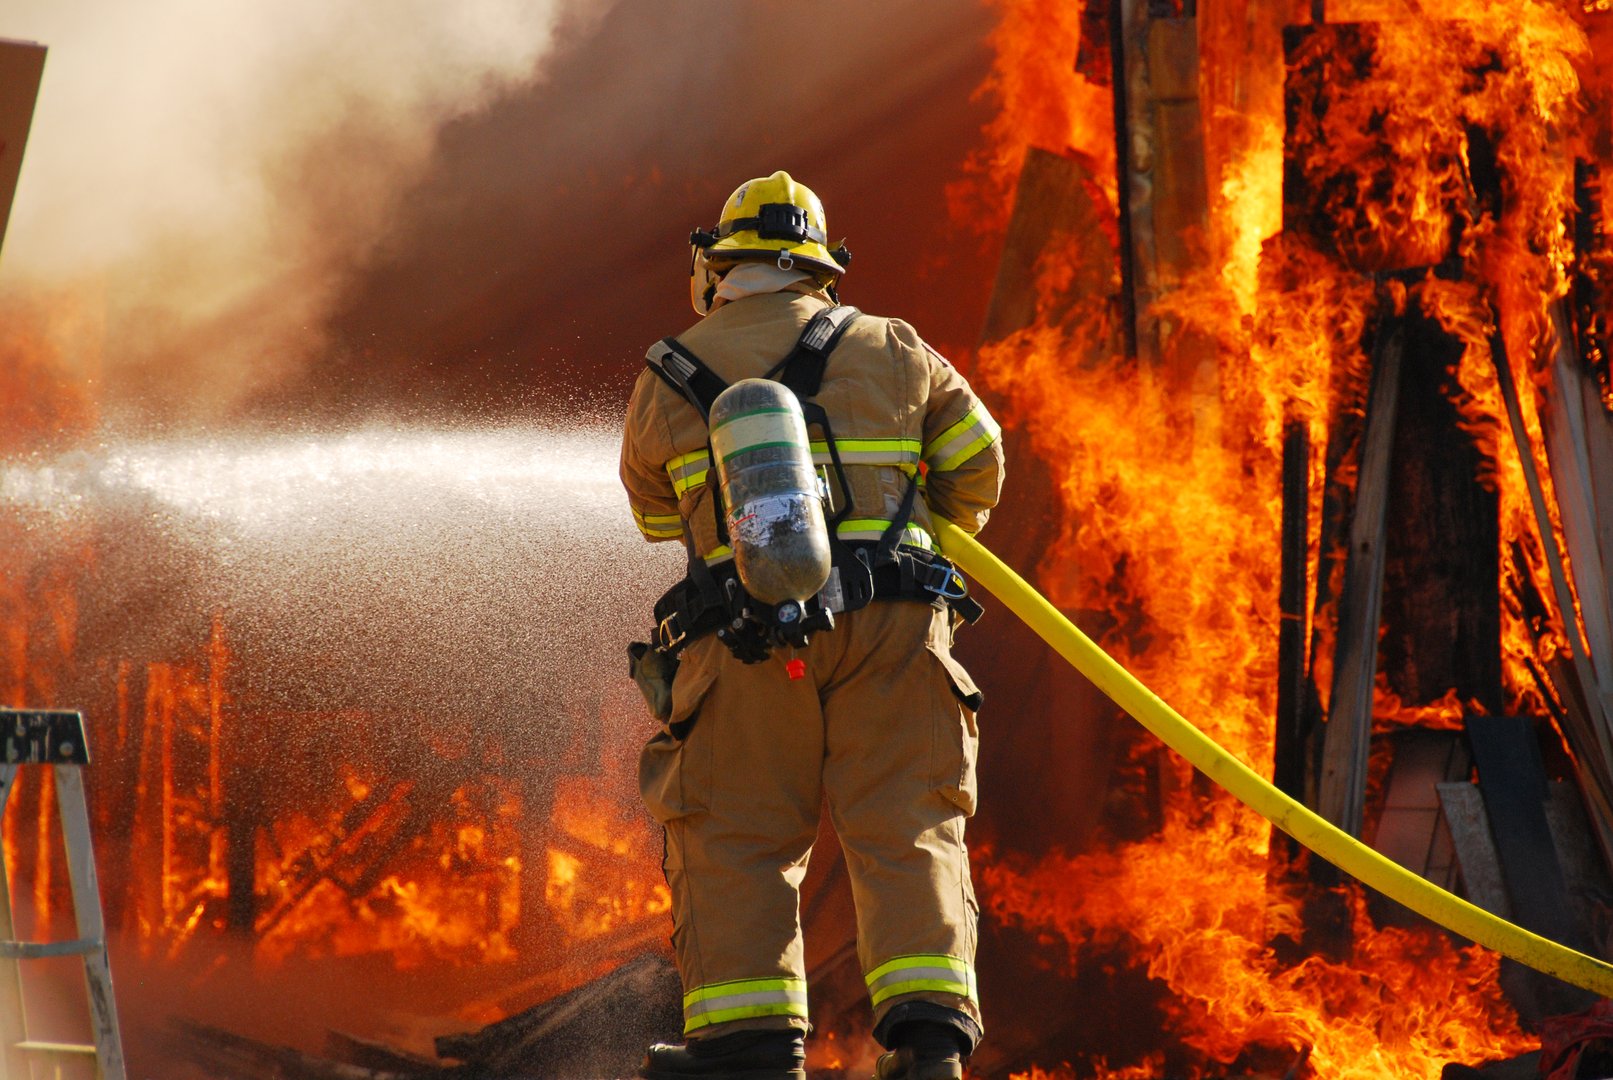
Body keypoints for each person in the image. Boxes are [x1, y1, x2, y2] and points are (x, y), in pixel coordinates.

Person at [619, 170, 1005, 1080]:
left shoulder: (668, 369)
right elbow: (980, 468)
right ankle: (927, 1050)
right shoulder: (895, 346)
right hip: (896, 631)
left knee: (736, 834)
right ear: (820, 267)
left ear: (718, 267)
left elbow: (656, 518)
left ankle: (751, 1052)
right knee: (908, 822)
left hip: (746, 639)